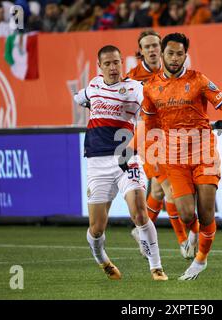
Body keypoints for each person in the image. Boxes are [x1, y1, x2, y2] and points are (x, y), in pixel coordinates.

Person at [138, 33, 222, 280]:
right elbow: (150, 125)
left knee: (206, 213)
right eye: (170, 53)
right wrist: (152, 153)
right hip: (173, 156)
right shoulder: (150, 88)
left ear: (185, 54)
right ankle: (190, 234)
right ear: (161, 54)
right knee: (186, 215)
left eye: (179, 53)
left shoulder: (199, 80)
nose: (174, 58)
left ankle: (200, 261)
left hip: (204, 152)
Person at [73, 45, 168, 281]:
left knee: (139, 211)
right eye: (108, 64)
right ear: (100, 66)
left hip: (126, 156)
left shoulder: (135, 89)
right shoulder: (94, 86)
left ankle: (156, 267)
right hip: (97, 161)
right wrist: (89, 104)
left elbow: (151, 107)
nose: (113, 67)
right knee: (96, 228)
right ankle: (102, 260)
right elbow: (79, 97)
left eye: (117, 62)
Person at [126, 29, 200, 260]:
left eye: (155, 46)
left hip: (171, 138)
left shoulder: (172, 71)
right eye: (146, 47)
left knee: (158, 189)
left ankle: (141, 231)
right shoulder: (132, 78)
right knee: (168, 188)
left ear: (162, 48)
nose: (152, 50)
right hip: (149, 138)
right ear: (141, 51)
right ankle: (186, 240)